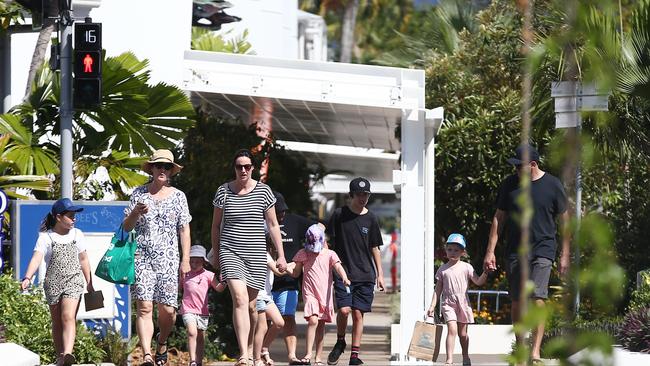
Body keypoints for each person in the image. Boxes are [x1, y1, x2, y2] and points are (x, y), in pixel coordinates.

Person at [483, 144, 570, 365]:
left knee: (538, 297)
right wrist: (490, 251)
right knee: (518, 300)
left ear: (533, 164)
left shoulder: (552, 185)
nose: (515, 171)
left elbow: (565, 220)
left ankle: (536, 351)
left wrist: (565, 254)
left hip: (543, 248)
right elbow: (498, 219)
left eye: (519, 166)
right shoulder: (510, 185)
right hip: (515, 250)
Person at [210, 149, 287, 366]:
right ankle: (243, 353)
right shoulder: (223, 191)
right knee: (240, 299)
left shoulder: (263, 191)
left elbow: (273, 225)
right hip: (230, 251)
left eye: (247, 166)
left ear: (253, 168)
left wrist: (280, 255)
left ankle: (253, 351)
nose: (243, 170)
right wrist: (216, 254)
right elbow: (216, 226)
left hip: (255, 254)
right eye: (239, 166)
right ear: (234, 168)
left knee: (253, 306)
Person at [123, 149, 193, 366]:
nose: (162, 169)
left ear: (171, 171)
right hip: (141, 256)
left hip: (169, 260)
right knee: (144, 307)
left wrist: (186, 260)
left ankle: (161, 341)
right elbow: (126, 227)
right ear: (151, 169)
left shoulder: (179, 196)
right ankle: (146, 355)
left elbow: (184, 230)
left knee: (168, 311)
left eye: (167, 166)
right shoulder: (138, 194)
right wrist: (135, 213)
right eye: (158, 165)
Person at [20, 198, 93, 366]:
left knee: (68, 316)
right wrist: (28, 277)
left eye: (75, 215)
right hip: (52, 283)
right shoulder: (46, 238)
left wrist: (89, 281)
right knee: (57, 321)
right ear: (59, 217)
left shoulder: (77, 234)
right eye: (70, 215)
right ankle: (61, 357)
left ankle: (68, 353)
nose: (74, 218)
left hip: (74, 281)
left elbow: (83, 259)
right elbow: (36, 258)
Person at [326, 177, 385, 366]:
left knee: (358, 314)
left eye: (366, 194)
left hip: (365, 274)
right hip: (343, 271)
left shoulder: (371, 218)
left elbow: (375, 247)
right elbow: (327, 239)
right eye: (359, 194)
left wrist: (380, 274)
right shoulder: (339, 214)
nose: (363, 198)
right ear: (351, 195)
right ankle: (341, 340)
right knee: (344, 311)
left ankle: (354, 356)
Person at [262, 191, 314, 365]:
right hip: (264, 283)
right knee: (263, 321)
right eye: (278, 212)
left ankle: (291, 356)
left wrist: (312, 254)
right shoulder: (260, 224)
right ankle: (260, 353)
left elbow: (318, 228)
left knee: (288, 317)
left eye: (283, 211)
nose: (282, 214)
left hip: (288, 282)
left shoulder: (295, 221)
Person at [289, 224, 351, 366]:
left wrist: (344, 277)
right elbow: (296, 273)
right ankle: (308, 354)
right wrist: (286, 270)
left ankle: (318, 357)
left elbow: (338, 266)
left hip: (325, 294)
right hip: (310, 293)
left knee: (321, 325)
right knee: (313, 320)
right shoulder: (303, 253)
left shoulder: (330, 254)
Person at [427, 233, 489, 366]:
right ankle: (449, 360)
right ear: (446, 250)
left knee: (462, 334)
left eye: (456, 250)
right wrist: (432, 306)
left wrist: (486, 272)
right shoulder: (442, 270)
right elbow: (438, 290)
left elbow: (478, 282)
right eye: (450, 249)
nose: (452, 252)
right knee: (452, 330)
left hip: (463, 302)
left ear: (462, 252)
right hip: (448, 303)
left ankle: (465, 356)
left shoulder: (467, 267)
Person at [180, 245, 226, 366]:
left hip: (202, 311)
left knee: (200, 337)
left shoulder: (209, 275)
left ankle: (199, 361)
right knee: (192, 332)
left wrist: (224, 281)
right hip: (187, 309)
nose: (194, 264)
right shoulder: (185, 274)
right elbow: (177, 288)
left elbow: (219, 288)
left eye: (197, 262)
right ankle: (192, 361)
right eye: (192, 261)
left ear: (204, 262)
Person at [253, 245, 288, 366]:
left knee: (279, 323)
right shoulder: (264, 254)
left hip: (267, 296)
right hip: (258, 296)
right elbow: (278, 272)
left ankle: (264, 349)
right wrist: (294, 264)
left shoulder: (267, 256)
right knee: (262, 328)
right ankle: (256, 359)